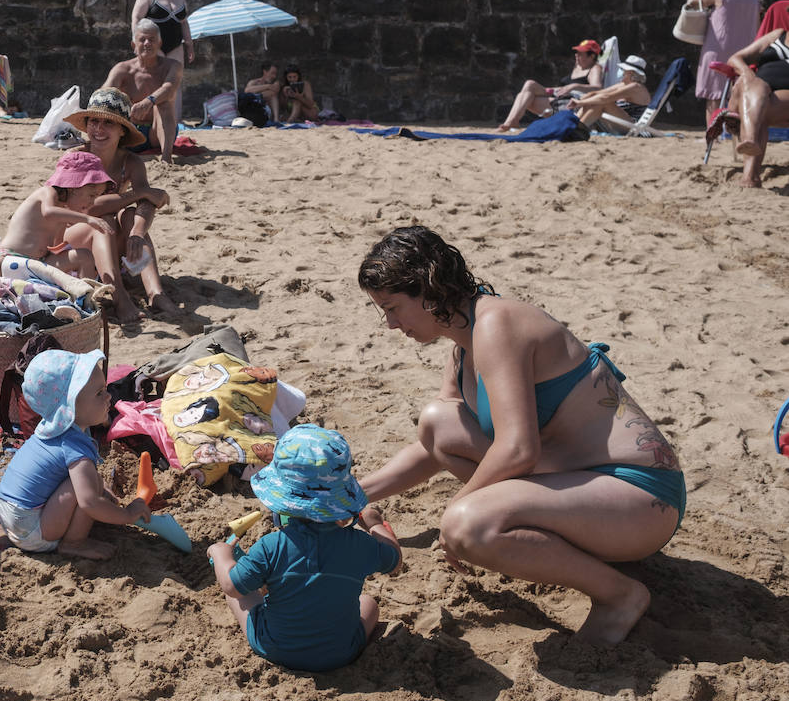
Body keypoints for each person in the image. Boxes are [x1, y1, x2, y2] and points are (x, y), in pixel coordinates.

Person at [357, 226, 685, 645]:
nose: (389, 324)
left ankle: (618, 595)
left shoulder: (497, 325)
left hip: (641, 500)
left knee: (467, 525)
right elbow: (434, 446)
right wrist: (351, 494)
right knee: (438, 419)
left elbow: (518, 450)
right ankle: (579, 557)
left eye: (393, 307)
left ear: (427, 289)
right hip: (586, 490)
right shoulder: (462, 343)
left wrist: (455, 510)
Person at [207, 425, 402, 672]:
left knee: (241, 588)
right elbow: (395, 560)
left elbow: (232, 586)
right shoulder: (360, 545)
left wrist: (221, 554)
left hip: (275, 647)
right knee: (369, 603)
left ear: (280, 499)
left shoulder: (270, 546)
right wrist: (373, 524)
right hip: (342, 652)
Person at [0, 349, 151, 559]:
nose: (109, 396)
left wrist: (102, 493)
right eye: (98, 393)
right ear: (69, 407)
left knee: (90, 481)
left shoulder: (56, 428)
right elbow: (88, 502)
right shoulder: (74, 445)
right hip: (30, 530)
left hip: (10, 514)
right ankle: (74, 543)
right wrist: (127, 515)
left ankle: (76, 526)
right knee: (88, 486)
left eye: (104, 389)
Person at [67, 87, 178, 323]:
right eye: (93, 121)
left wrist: (137, 233)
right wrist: (142, 193)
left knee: (130, 217)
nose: (99, 129)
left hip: (106, 244)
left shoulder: (131, 162)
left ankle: (155, 292)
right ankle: (119, 297)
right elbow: (88, 209)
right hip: (71, 241)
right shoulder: (76, 158)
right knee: (104, 220)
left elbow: (146, 204)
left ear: (122, 131)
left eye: (108, 123)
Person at [0, 151, 115, 292]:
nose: (93, 202)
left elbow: (56, 244)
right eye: (91, 195)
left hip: (38, 262)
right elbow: (48, 212)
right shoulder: (48, 192)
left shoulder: (63, 211)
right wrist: (87, 219)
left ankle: (86, 298)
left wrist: (64, 245)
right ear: (75, 186)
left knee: (84, 256)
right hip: (12, 257)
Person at [686, 0, 759, 128]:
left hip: (718, 47)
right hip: (744, 52)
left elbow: (690, 3)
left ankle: (714, 135)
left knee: (714, 94)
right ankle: (736, 133)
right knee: (739, 93)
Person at [103, 19, 183, 162]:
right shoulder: (123, 69)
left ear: (159, 43)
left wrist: (148, 102)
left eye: (152, 39)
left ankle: (166, 157)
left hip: (156, 133)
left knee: (162, 102)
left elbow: (169, 88)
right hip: (129, 133)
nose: (147, 43)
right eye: (142, 39)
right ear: (134, 45)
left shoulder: (172, 66)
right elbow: (104, 94)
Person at [130, 0, 194, 124]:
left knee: (175, 81)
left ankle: (176, 120)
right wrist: (136, 41)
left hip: (175, 44)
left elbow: (184, 21)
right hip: (152, 44)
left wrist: (189, 43)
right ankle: (151, 119)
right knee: (154, 80)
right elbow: (136, 18)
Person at [724, 27, 789, 188]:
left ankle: (750, 173)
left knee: (756, 105)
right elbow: (735, 58)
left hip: (781, 96)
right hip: (756, 89)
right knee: (753, 89)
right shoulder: (778, 35)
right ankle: (751, 145)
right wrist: (747, 72)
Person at [497, 40, 604, 132]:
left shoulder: (594, 68)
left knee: (526, 94)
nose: (576, 55)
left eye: (581, 53)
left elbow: (597, 88)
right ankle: (512, 121)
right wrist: (553, 89)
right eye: (576, 52)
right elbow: (565, 88)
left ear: (592, 56)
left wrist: (574, 86)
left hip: (570, 105)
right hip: (559, 98)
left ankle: (511, 122)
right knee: (528, 87)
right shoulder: (578, 67)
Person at [570, 55, 651, 131]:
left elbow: (605, 97)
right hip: (621, 122)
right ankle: (573, 125)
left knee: (602, 102)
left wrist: (580, 102)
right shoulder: (623, 85)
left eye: (624, 70)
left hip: (633, 126)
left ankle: (578, 130)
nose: (622, 73)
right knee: (594, 100)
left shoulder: (636, 87)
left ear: (630, 73)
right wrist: (583, 100)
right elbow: (597, 93)